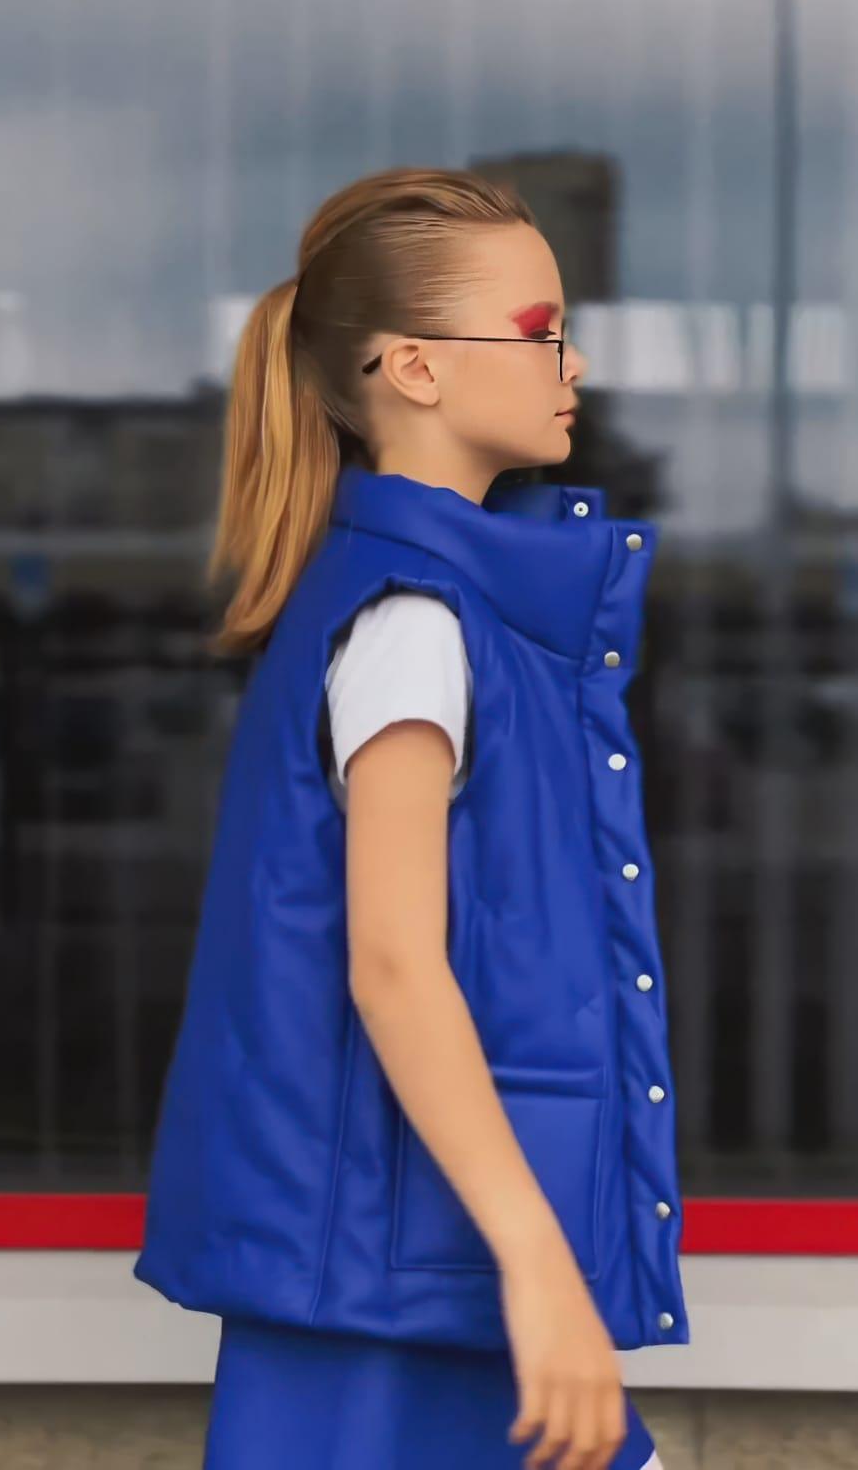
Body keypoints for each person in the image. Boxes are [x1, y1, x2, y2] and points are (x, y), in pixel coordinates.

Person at [132, 165, 689, 1469]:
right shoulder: (414, 623)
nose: (575, 362)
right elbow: (392, 965)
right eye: (541, 331)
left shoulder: (449, 610)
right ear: (417, 369)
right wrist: (540, 1268)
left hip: (422, 1264)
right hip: (416, 1284)